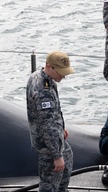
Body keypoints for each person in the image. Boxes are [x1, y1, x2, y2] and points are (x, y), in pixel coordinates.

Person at [26, 51, 75, 192]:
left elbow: (52, 115)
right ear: (49, 66)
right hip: (48, 144)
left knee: (68, 157)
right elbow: (47, 125)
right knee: (49, 181)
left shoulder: (40, 76)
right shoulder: (43, 91)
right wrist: (56, 155)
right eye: (60, 72)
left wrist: (61, 128)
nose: (63, 76)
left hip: (53, 138)